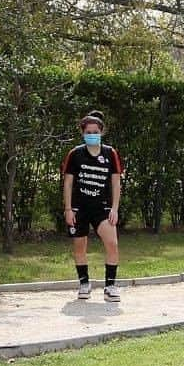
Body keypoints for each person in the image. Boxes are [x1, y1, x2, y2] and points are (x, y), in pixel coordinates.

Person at [61, 112, 123, 302]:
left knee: (112, 244)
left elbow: (115, 183)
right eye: (88, 132)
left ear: (102, 132)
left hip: (102, 208)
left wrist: (114, 208)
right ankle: (84, 283)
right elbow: (68, 183)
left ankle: (110, 286)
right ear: (83, 133)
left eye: (95, 131)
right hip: (79, 208)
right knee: (80, 247)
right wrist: (69, 209)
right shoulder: (75, 153)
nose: (92, 135)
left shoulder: (110, 153)